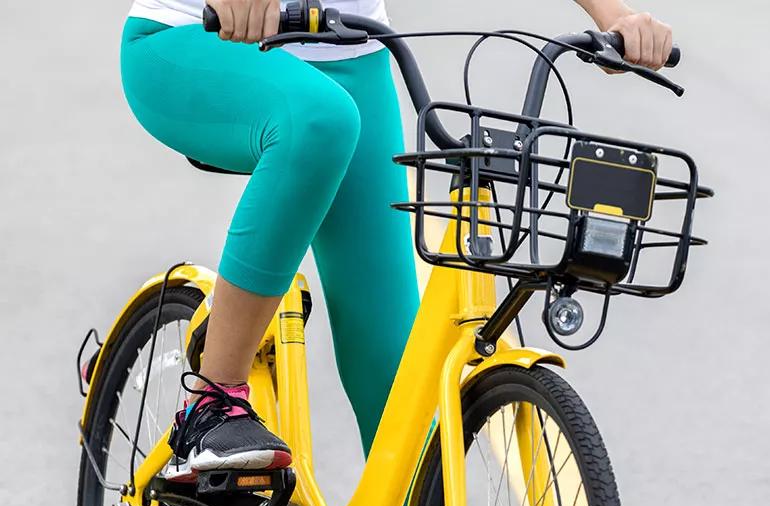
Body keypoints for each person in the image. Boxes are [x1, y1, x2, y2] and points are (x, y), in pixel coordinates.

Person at [120, 0, 673, 479]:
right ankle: (214, 400)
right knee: (319, 118)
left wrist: (617, 17)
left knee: (397, 387)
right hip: (198, 35)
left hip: (351, 53)